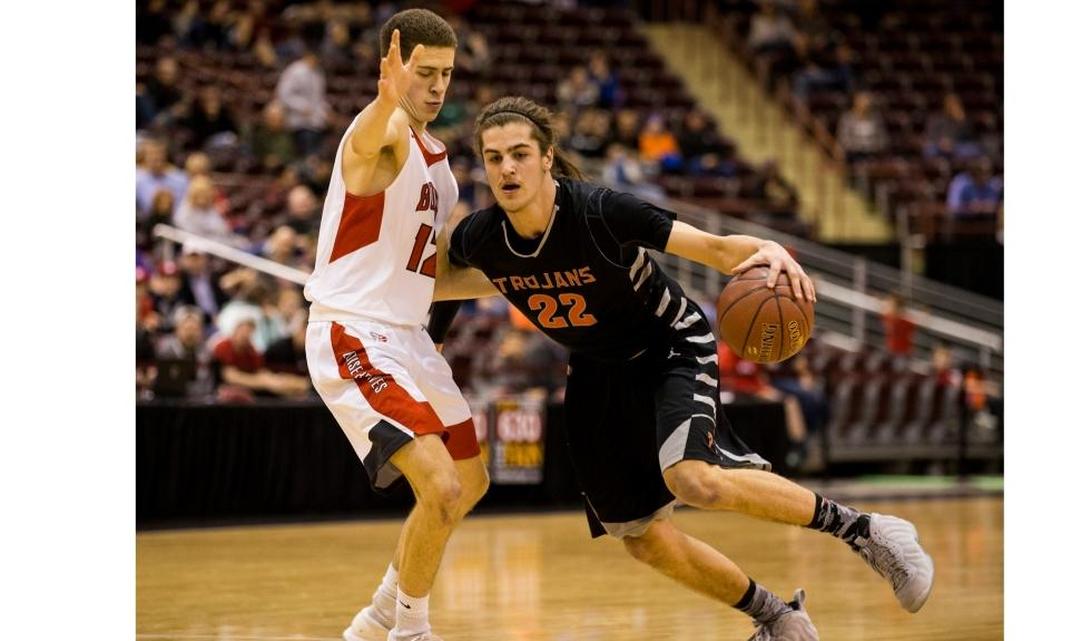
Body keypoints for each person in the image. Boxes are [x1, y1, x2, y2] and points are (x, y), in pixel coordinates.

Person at [432, 97, 934, 640]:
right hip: (597, 373)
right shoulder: (479, 235)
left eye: (519, 154)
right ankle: (778, 618)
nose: (506, 168)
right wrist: (430, 342)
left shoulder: (601, 211)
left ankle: (868, 531)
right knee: (640, 536)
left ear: (547, 157)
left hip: (669, 345)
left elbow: (716, 249)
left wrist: (769, 248)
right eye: (493, 157)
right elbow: (444, 283)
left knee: (693, 479)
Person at [302, 11, 494, 641]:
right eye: (425, 72)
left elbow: (432, 272)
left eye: (447, 74)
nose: (438, 87)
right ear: (395, 66)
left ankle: (381, 613)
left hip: (410, 336)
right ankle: (410, 631)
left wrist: (525, 277)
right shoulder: (377, 139)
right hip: (354, 330)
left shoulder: (440, 166)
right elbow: (365, 144)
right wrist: (384, 101)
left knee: (469, 481)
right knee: (437, 484)